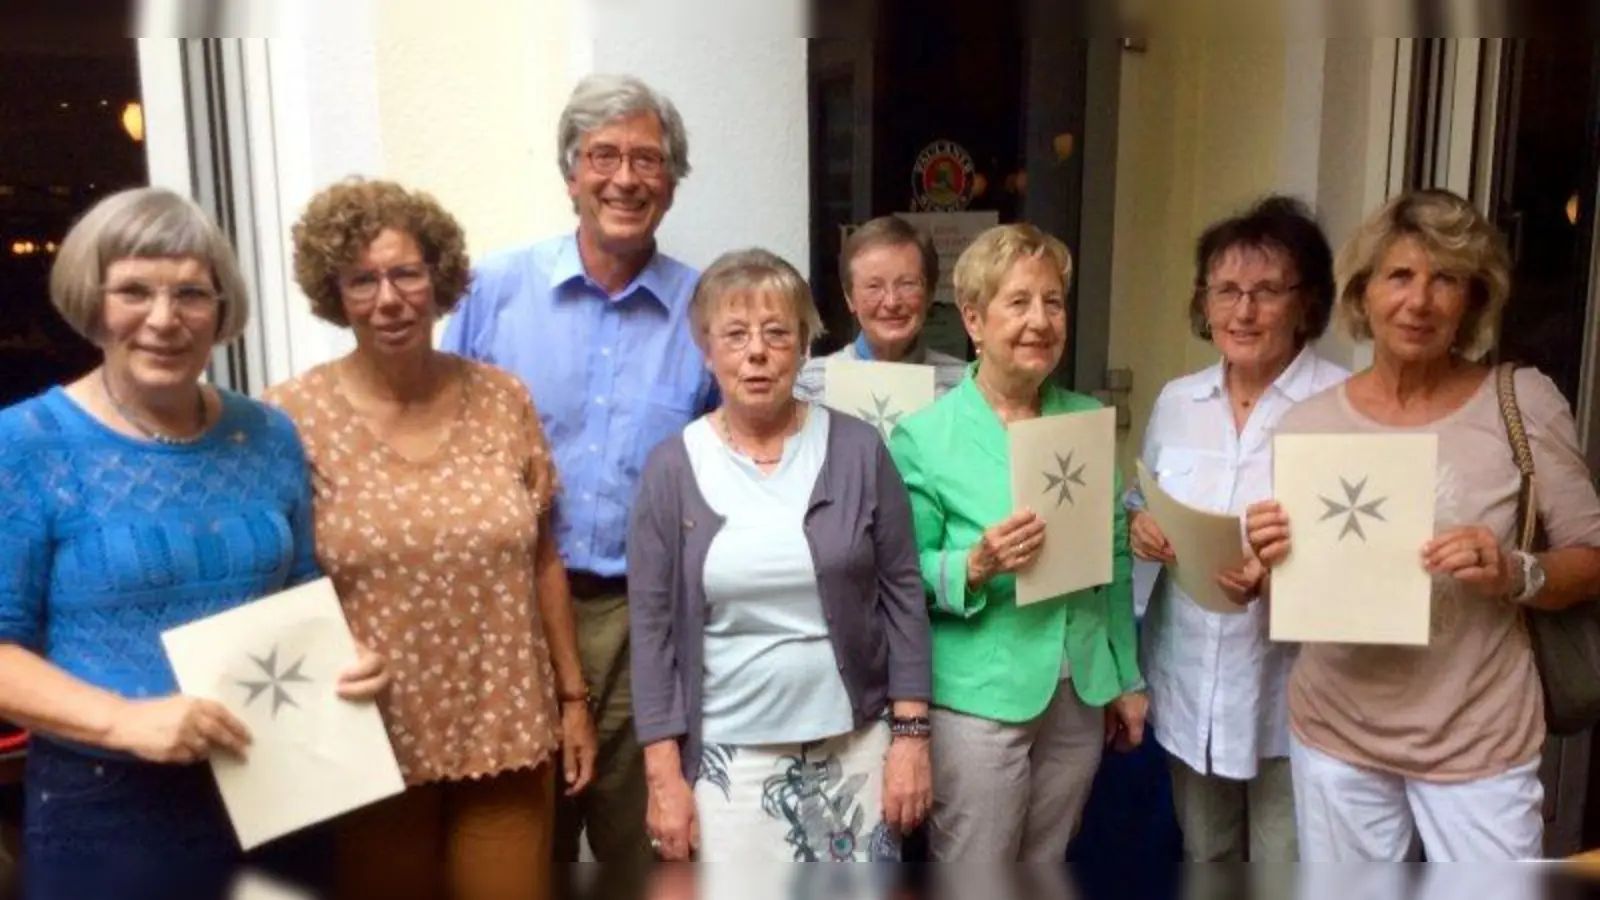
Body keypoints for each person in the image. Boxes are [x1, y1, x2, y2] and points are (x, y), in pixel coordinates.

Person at [0, 186, 389, 900]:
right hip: (109, 810)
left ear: (220, 310)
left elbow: (301, 595)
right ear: (93, 302)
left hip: (278, 787)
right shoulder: (25, 445)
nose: (163, 319)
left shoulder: (268, 434)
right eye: (134, 291)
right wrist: (122, 721)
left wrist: (343, 662)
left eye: (190, 294)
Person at [265, 178, 597, 900]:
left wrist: (574, 700)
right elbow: (270, 577)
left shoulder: (504, 398)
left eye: (407, 273)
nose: (389, 299)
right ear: (334, 291)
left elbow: (542, 557)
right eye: (362, 279)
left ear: (438, 278)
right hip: (364, 738)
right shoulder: (289, 418)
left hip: (506, 726)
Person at [1245, 188, 1600, 861]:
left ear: (1472, 299)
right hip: (1336, 736)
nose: (1419, 300)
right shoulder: (1308, 423)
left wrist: (1514, 571)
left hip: (1478, 742)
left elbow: (1592, 559)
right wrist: (1265, 565)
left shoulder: (1521, 403)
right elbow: (1285, 595)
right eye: (1400, 275)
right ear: (1364, 293)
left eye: (1446, 280)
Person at [440, 74, 716, 891]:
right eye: (603, 156)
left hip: (644, 620)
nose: (625, 178)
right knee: (521, 850)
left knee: (647, 849)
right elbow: (451, 442)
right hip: (514, 613)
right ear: (570, 174)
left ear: (671, 183)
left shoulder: (706, 308)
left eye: (647, 160)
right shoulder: (495, 290)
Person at [628, 249, 933, 862]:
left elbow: (903, 596)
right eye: (735, 335)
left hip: (856, 749)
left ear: (803, 346)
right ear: (706, 350)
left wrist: (911, 739)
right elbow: (653, 631)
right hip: (726, 766)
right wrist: (664, 777)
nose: (757, 352)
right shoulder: (672, 467)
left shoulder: (858, 449)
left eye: (777, 333)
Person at [887, 223, 1147, 861]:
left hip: (1078, 690)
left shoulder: (1085, 418)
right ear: (974, 321)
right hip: (981, 697)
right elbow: (899, 576)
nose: (1040, 320)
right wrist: (973, 566)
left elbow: (1112, 555)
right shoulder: (925, 437)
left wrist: (1125, 677)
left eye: (1053, 302)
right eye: (1019, 302)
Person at [1125, 196, 1347, 862]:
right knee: (1207, 860)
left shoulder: (1340, 405)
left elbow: (1368, 552)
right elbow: (1147, 492)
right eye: (1226, 290)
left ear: (1306, 302)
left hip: (1291, 692)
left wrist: (1290, 569)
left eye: (1266, 291)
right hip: (1189, 680)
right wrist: (1141, 524)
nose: (1243, 311)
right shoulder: (1177, 401)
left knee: (1284, 867)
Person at [793, 215, 966, 402]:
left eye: (907, 284)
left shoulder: (964, 385)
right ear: (850, 298)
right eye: (874, 287)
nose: (891, 302)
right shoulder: (810, 384)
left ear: (930, 293)